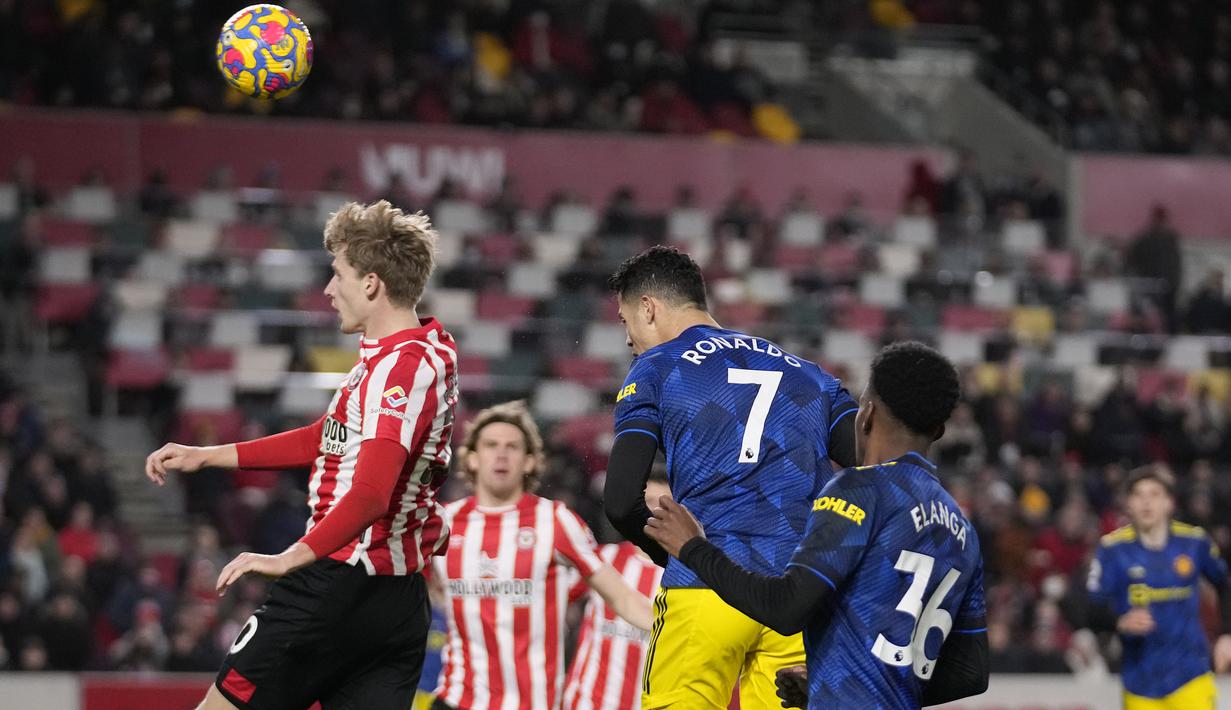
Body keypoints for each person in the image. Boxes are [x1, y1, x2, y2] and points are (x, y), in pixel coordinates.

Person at [144, 200, 458, 710]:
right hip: (397, 603)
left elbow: (373, 493)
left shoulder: (399, 370)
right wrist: (208, 455)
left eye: (338, 275)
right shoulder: (422, 351)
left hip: (335, 584)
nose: (330, 290)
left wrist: (291, 556)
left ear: (371, 283)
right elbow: (325, 438)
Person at [645, 341, 989, 709]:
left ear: (866, 414)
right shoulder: (960, 527)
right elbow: (970, 673)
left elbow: (786, 609)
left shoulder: (858, 491)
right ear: (938, 431)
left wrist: (694, 548)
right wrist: (843, 682)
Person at [602, 245, 858, 709]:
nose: (628, 339)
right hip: (797, 596)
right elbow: (877, 466)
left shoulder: (657, 369)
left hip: (706, 591)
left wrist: (681, 554)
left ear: (648, 307)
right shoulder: (811, 376)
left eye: (625, 322)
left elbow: (620, 501)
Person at [432, 401, 652, 710]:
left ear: (530, 462)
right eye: (491, 445)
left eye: (513, 447)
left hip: (532, 703)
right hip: (455, 699)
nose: (501, 454)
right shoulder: (444, 523)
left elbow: (623, 599)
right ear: (471, 459)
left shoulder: (556, 520)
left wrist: (681, 629)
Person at [1085, 464, 1231, 709]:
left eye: (1154, 494)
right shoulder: (1112, 550)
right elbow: (1091, 608)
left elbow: (1225, 586)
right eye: (1139, 495)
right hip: (1139, 680)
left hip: (1190, 674)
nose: (1146, 503)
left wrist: (1227, 635)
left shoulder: (1194, 543)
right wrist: (1119, 621)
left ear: (1169, 503)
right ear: (1128, 504)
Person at [564, 470, 670, 710]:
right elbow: (555, 598)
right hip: (590, 703)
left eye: (664, 504)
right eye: (648, 503)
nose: (654, 512)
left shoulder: (688, 577)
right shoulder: (605, 559)